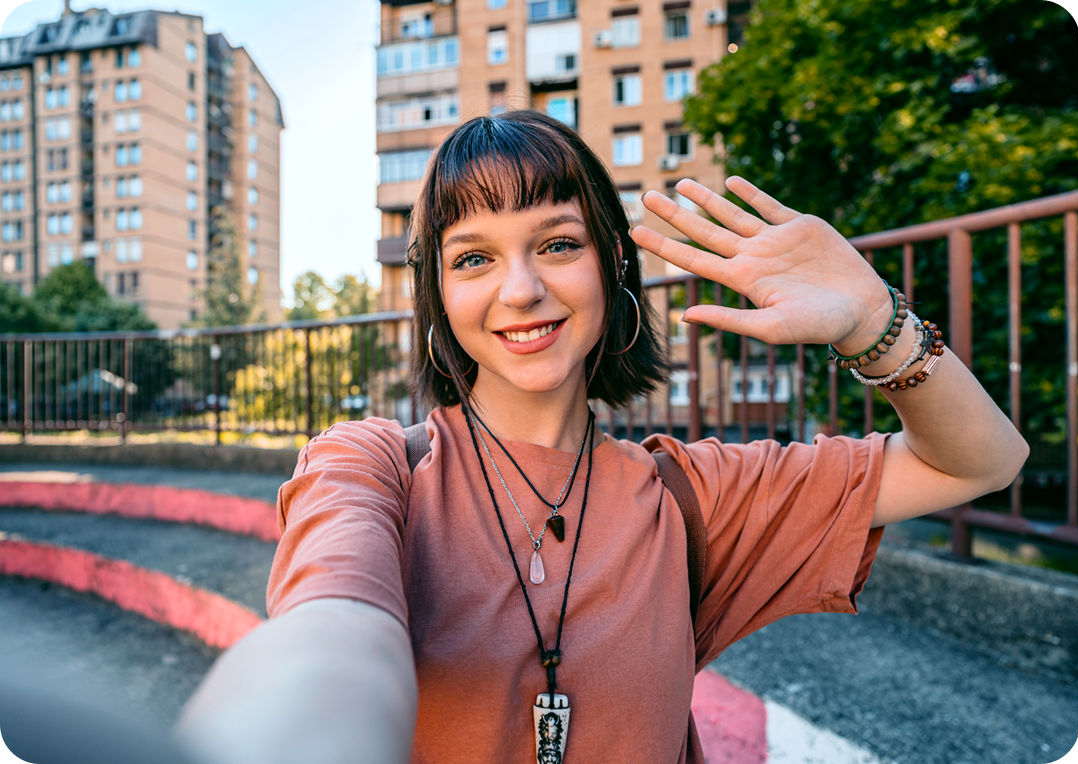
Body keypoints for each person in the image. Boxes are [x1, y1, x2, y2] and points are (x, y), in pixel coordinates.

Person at [175, 110, 1028, 764]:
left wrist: (873, 321)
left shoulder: (693, 495)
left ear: (612, 263)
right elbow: (333, 632)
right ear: (436, 293)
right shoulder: (372, 467)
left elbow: (984, 461)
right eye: (473, 258)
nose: (520, 289)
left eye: (556, 243)